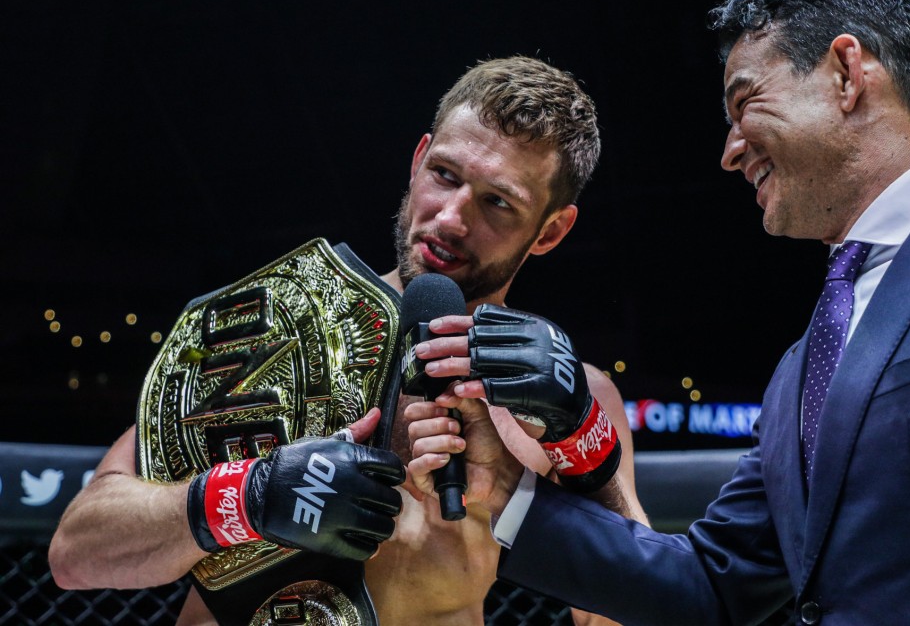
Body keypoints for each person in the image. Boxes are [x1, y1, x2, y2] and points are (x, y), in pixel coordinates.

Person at [405, 0, 910, 625]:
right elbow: (708, 589)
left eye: (745, 100)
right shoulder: (802, 370)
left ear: (847, 74)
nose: (730, 150)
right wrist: (504, 491)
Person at [47, 55, 648, 625]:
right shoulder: (279, 327)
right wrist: (250, 495)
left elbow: (631, 610)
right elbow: (77, 552)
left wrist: (586, 461)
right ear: (418, 161)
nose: (450, 218)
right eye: (444, 175)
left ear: (550, 232)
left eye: (496, 203)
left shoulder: (575, 401)